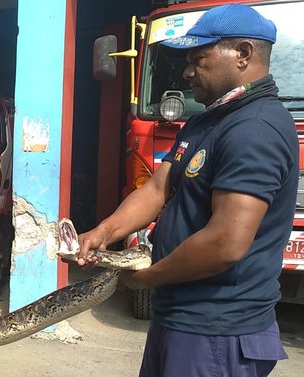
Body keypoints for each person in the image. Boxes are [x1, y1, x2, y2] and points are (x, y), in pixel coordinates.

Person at [75, 5, 297, 377]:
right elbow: (159, 187)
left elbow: (226, 242)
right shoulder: (207, 120)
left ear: (243, 54)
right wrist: (104, 232)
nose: (187, 71)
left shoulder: (254, 128)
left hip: (217, 332)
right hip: (181, 319)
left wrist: (149, 278)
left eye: (199, 58)